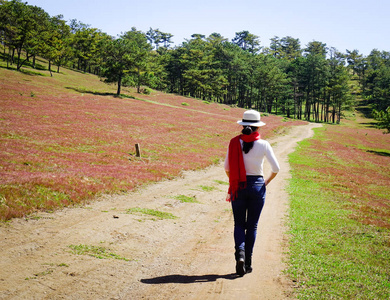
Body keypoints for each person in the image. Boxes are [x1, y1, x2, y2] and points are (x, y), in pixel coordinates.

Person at [224, 109, 280, 276]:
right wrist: (266, 182)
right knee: (252, 226)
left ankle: (239, 254)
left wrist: (234, 180)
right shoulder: (264, 144)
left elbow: (226, 168)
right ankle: (248, 262)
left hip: (238, 187)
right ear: (257, 128)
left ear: (243, 125)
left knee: (239, 224)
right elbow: (276, 168)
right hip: (257, 187)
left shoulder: (234, 142)